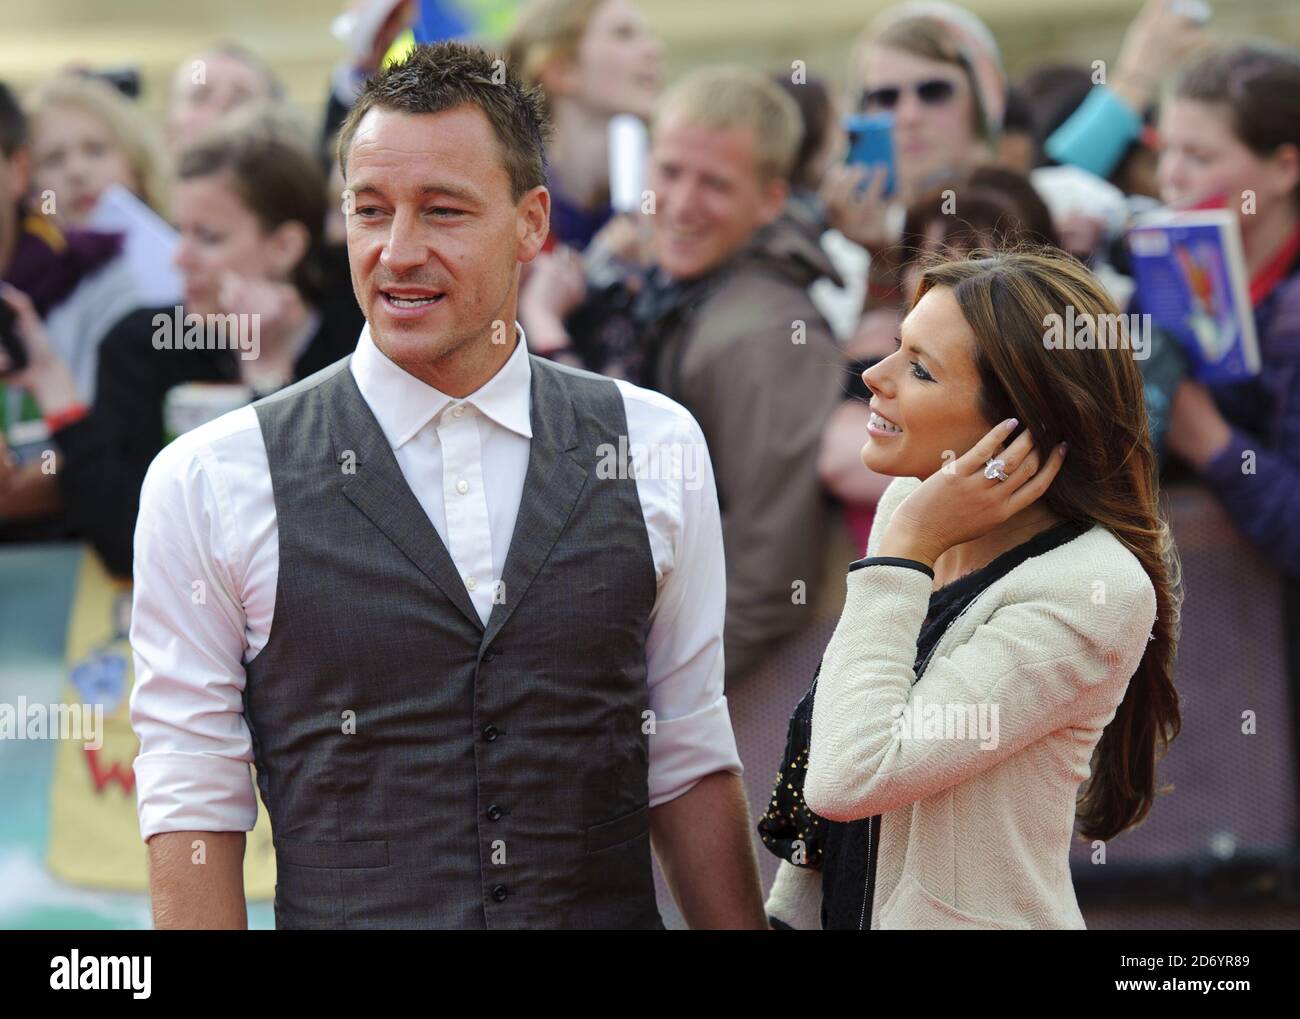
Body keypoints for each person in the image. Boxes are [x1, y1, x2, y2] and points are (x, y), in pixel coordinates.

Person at [128, 41, 760, 930]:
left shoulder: (655, 442)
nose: (398, 251)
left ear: (533, 222)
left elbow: (689, 749)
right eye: (371, 210)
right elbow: (191, 794)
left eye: (444, 211)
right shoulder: (209, 477)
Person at [760, 249, 1181, 929]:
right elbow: (843, 713)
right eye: (898, 346)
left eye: (920, 369)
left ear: (1018, 426)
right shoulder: (912, 507)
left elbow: (852, 775)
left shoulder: (1092, 590)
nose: (873, 375)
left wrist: (904, 552)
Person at [1, 108, 363, 579]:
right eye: (180, 231)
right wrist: (54, 387)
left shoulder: (358, 333)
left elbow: (312, 537)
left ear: (284, 247)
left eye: (208, 237)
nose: (180, 257)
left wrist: (269, 376)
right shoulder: (145, 342)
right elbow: (125, 542)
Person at [635, 67, 843, 687]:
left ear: (771, 200)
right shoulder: (691, 294)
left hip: (745, 703)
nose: (682, 204)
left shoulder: (766, 333)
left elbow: (771, 577)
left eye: (716, 184)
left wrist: (658, 711)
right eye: (669, 172)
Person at [1151, 44, 1300, 577]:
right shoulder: (1158, 274)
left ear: (1284, 167)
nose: (1171, 176)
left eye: (1200, 157)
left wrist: (1210, 441)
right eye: (1164, 150)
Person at [0, 80, 142, 539]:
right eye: (55, 158)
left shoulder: (108, 278)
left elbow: (117, 459)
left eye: (95, 150)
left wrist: (30, 482)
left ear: (17, 171)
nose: (77, 171)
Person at [506, 0, 662, 253]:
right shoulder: (506, 197)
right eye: (624, 34)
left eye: (648, 35)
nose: (655, 49)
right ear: (561, 70)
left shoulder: (666, 181)